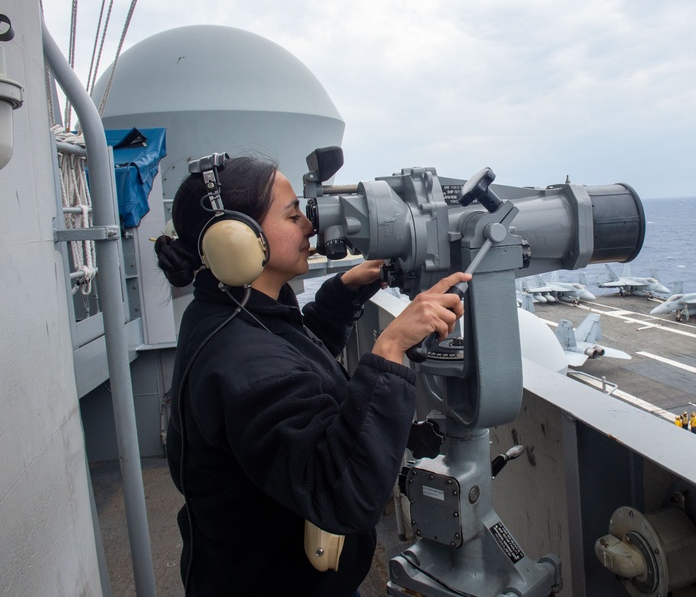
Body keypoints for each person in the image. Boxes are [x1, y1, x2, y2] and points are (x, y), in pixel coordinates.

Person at [154, 155, 470, 596]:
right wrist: (390, 350)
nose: (309, 225)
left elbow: (294, 361)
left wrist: (341, 295)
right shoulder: (243, 363)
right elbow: (339, 489)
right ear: (238, 239)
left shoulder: (228, 310)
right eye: (292, 214)